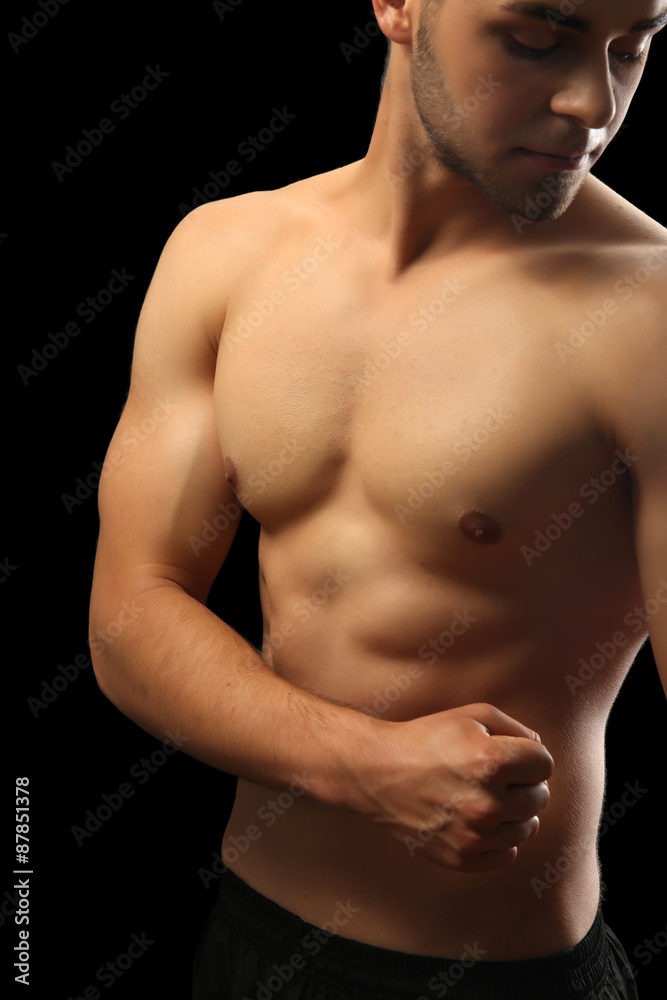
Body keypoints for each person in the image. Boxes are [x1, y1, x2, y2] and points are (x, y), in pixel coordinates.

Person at [88, 1, 667, 997]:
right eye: (537, 38)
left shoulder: (645, 316)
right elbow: (129, 614)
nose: (592, 104)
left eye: (633, 46)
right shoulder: (224, 255)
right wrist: (365, 765)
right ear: (399, 5)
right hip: (246, 941)